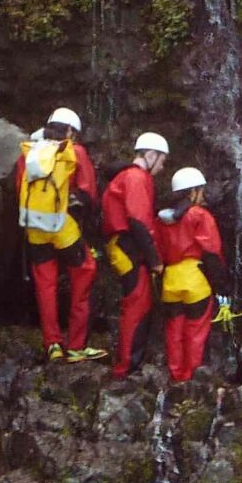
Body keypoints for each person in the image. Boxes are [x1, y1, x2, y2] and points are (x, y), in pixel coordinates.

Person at [11, 107, 104, 362]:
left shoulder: (29, 152)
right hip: (62, 226)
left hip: (34, 228)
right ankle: (75, 346)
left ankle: (52, 344)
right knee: (85, 271)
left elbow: (20, 188)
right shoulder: (74, 151)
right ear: (71, 131)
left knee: (45, 284)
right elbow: (88, 195)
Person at [101, 132, 169, 379]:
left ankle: (129, 364)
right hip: (128, 247)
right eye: (162, 160)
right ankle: (126, 367)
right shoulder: (136, 178)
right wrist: (155, 260)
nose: (162, 167)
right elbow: (138, 222)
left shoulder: (126, 177)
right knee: (137, 305)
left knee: (138, 303)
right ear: (150, 155)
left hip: (124, 246)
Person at [156, 168, 225, 384]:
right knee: (195, 331)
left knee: (174, 331)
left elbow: (157, 249)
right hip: (195, 279)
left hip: (170, 280)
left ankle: (175, 376)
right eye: (200, 190)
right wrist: (222, 285)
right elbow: (212, 252)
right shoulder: (199, 215)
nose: (202, 195)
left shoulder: (162, 219)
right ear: (192, 192)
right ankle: (192, 377)